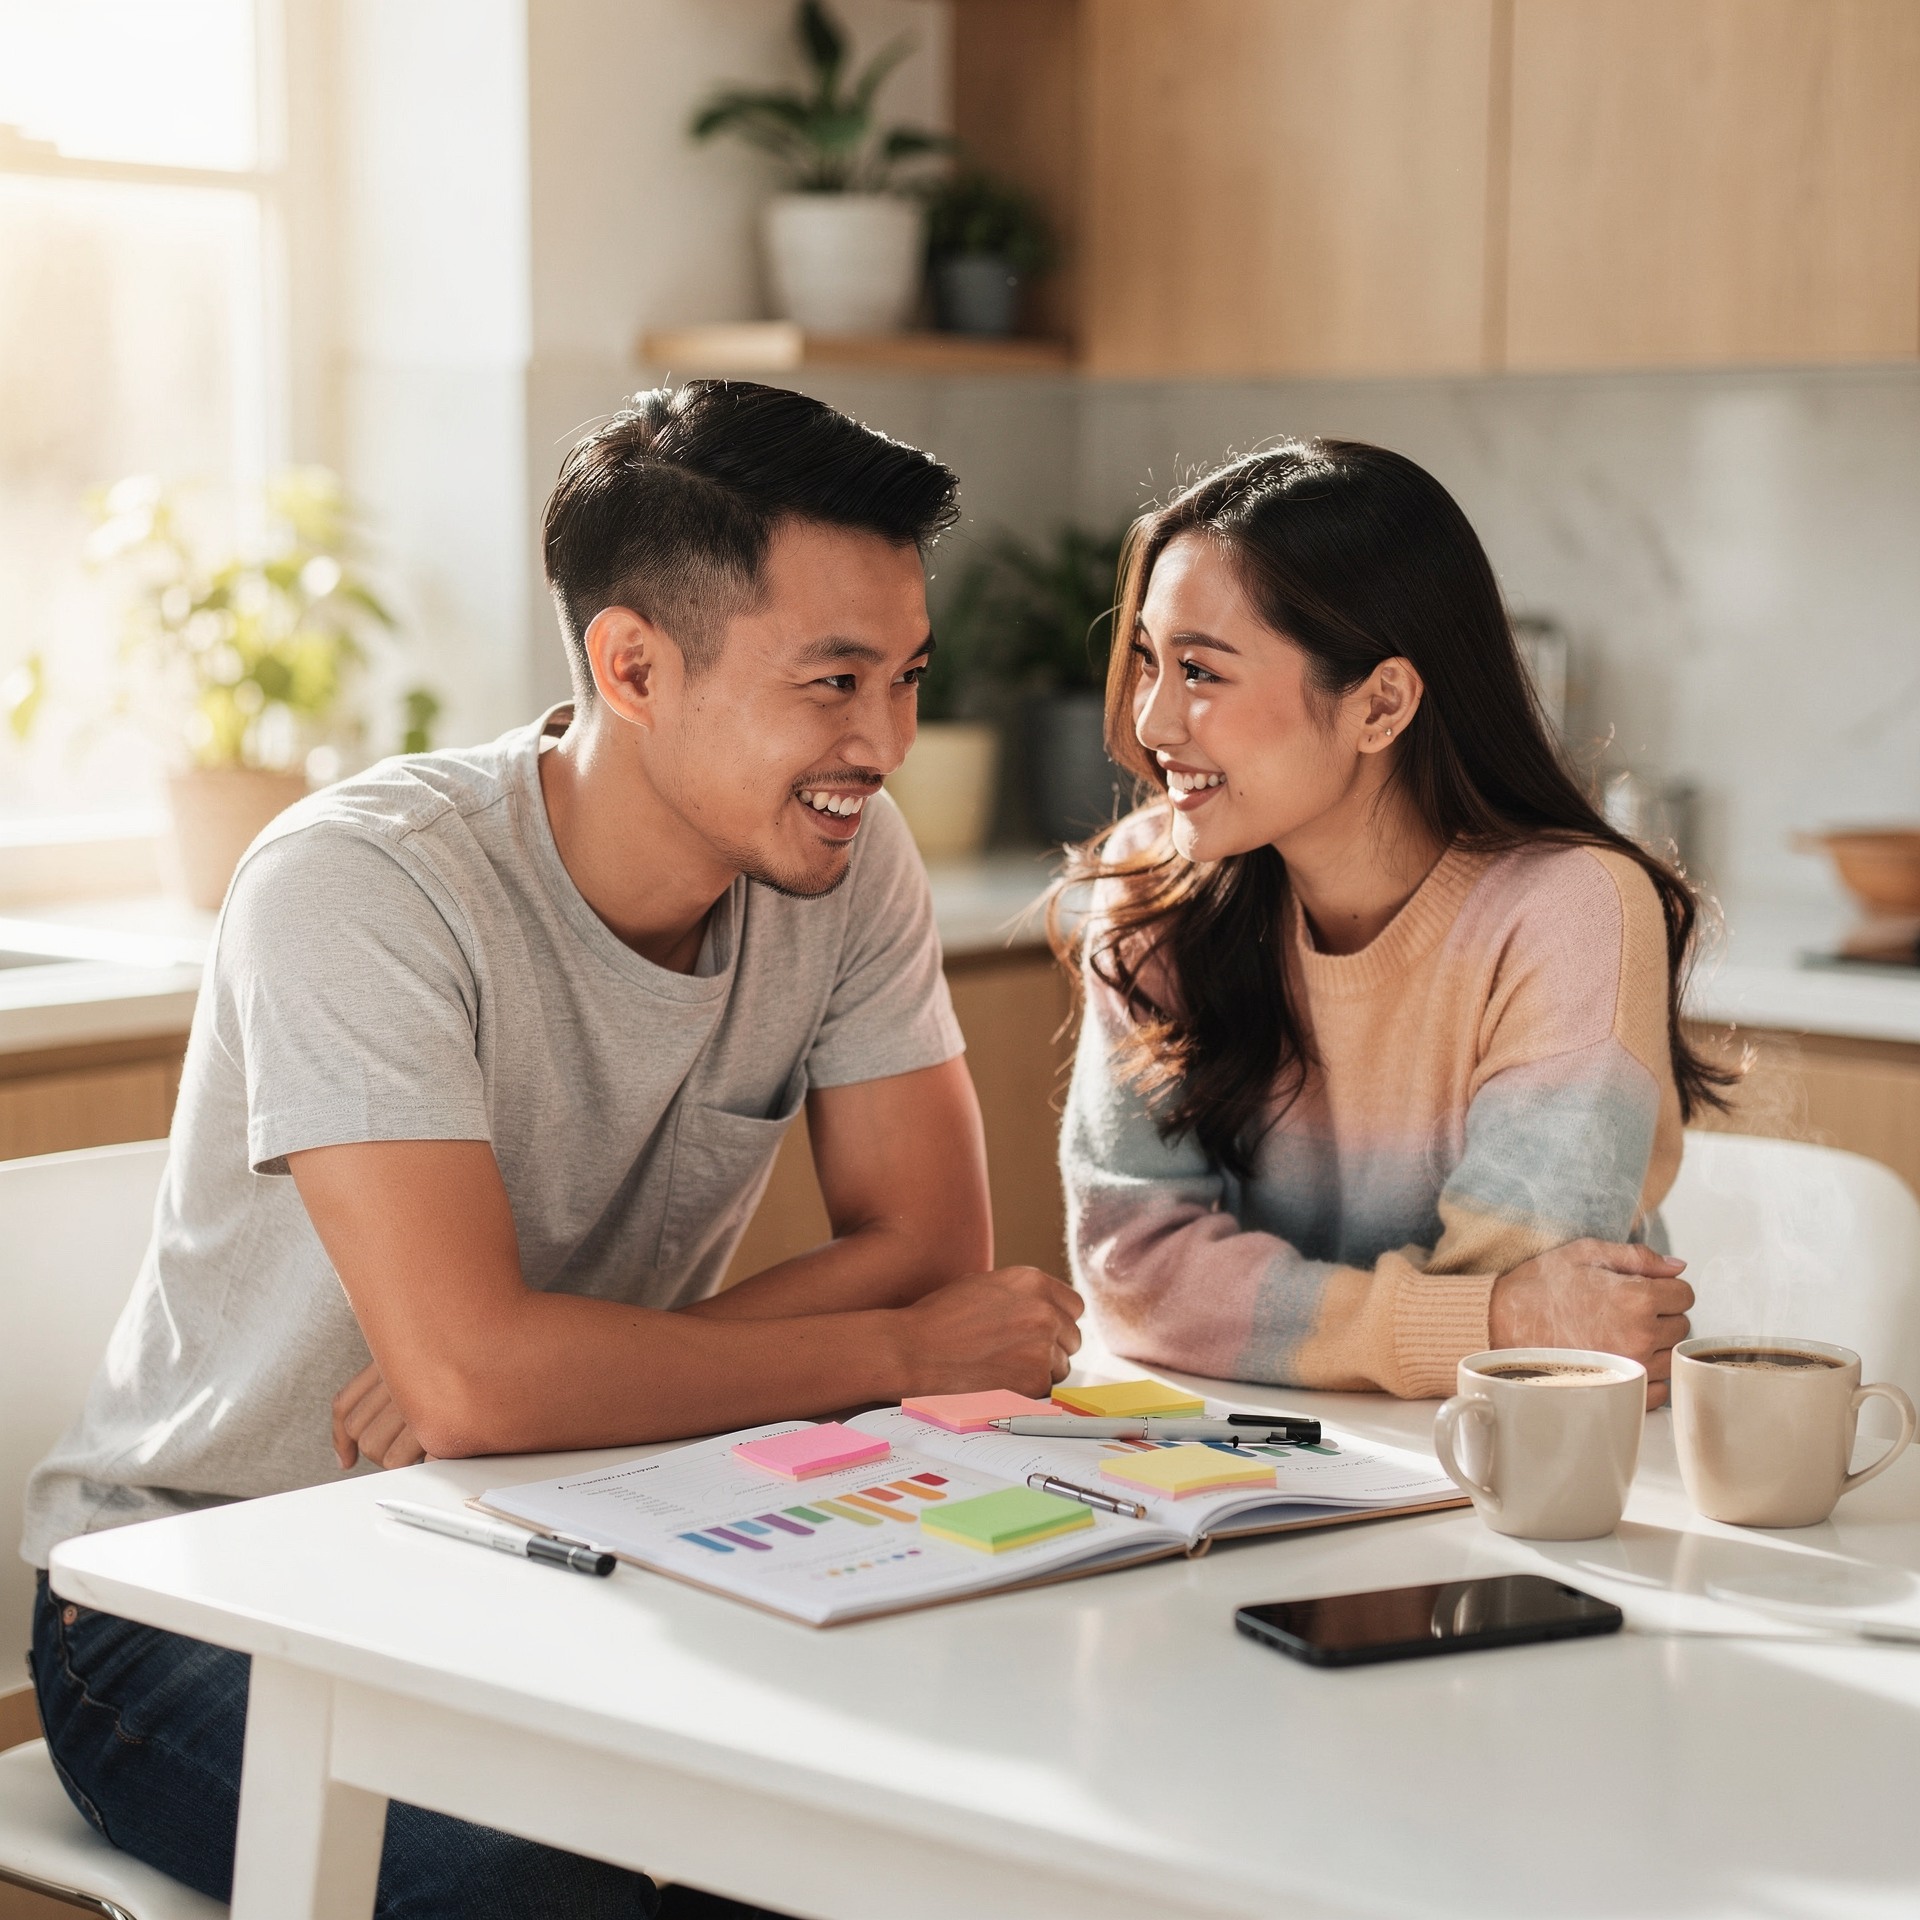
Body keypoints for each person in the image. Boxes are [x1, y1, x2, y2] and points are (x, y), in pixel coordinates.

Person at [22, 382, 1082, 1918]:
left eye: (909, 678)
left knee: (912, 1836)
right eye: (835, 681)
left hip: (577, 1533)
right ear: (635, 664)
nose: (888, 743)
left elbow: (924, 1254)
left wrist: (539, 1378)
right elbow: (482, 1386)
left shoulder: (843, 861)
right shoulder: (360, 889)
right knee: (583, 1895)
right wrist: (887, 1352)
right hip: (215, 1595)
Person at [1058, 439, 1724, 1406]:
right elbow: (1133, 1271)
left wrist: (1476, 1324)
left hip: (1500, 1471)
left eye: (1201, 671)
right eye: (1150, 661)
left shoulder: (1569, 911)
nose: (1153, 724)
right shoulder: (1152, 891)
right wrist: (1475, 1321)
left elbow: (1537, 1356)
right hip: (1241, 1454)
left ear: (1382, 703)